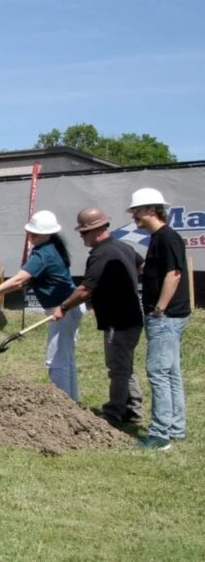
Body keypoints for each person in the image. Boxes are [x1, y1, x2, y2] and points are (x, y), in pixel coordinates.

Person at [0, 211, 85, 401]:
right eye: (30, 232)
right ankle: (72, 402)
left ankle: (63, 405)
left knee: (56, 360)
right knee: (66, 358)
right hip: (70, 305)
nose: (31, 236)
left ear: (47, 234)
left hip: (63, 308)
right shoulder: (53, 246)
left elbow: (19, 279)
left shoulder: (43, 253)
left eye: (35, 234)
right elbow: (28, 280)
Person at [53, 207, 144, 428]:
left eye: (84, 232)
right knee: (124, 365)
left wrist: (63, 307)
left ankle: (113, 414)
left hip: (119, 320)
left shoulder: (101, 254)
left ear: (97, 229)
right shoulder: (124, 247)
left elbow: (85, 289)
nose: (82, 236)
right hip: (131, 317)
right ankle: (132, 409)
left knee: (118, 368)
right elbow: (141, 266)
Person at [128, 188, 191, 450]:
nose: (134, 216)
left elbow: (174, 274)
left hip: (166, 317)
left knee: (158, 373)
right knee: (171, 372)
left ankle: (160, 435)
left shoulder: (167, 237)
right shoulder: (158, 238)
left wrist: (160, 308)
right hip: (169, 316)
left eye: (137, 211)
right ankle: (176, 428)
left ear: (152, 210)